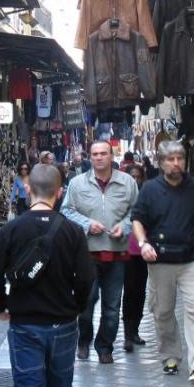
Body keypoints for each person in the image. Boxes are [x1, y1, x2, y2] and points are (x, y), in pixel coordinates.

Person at [0, 164, 94, 387]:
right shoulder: (72, 231)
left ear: (28, 189)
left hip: (25, 324)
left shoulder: (12, 229)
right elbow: (87, 277)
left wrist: (1, 306)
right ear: (60, 192)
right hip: (63, 323)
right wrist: (77, 306)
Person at [131, 140, 194, 382]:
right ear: (161, 163)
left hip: (191, 259)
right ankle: (170, 356)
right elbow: (137, 219)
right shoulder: (150, 189)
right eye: (170, 159)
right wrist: (143, 244)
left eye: (180, 158)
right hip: (160, 261)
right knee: (163, 311)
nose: (176, 163)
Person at [60, 139, 138, 363]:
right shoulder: (77, 184)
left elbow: (137, 211)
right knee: (85, 305)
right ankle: (83, 340)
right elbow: (66, 210)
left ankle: (105, 347)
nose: (99, 157)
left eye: (103, 153)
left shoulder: (127, 182)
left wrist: (124, 227)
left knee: (112, 307)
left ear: (111, 155)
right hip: (86, 255)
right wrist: (87, 224)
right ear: (90, 157)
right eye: (95, 154)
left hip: (117, 253)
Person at [120, 162, 149, 352]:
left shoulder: (147, 196)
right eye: (133, 177)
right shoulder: (122, 197)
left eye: (138, 177)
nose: (136, 180)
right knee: (129, 291)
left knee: (140, 291)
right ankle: (127, 334)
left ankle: (135, 330)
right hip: (127, 250)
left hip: (143, 249)